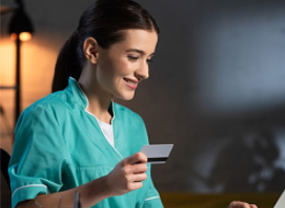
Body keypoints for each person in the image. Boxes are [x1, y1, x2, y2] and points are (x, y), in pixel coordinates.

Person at [8, 0, 258, 208]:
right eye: (133, 57)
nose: (144, 72)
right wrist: (104, 186)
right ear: (92, 51)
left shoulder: (134, 125)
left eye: (148, 59)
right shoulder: (46, 117)